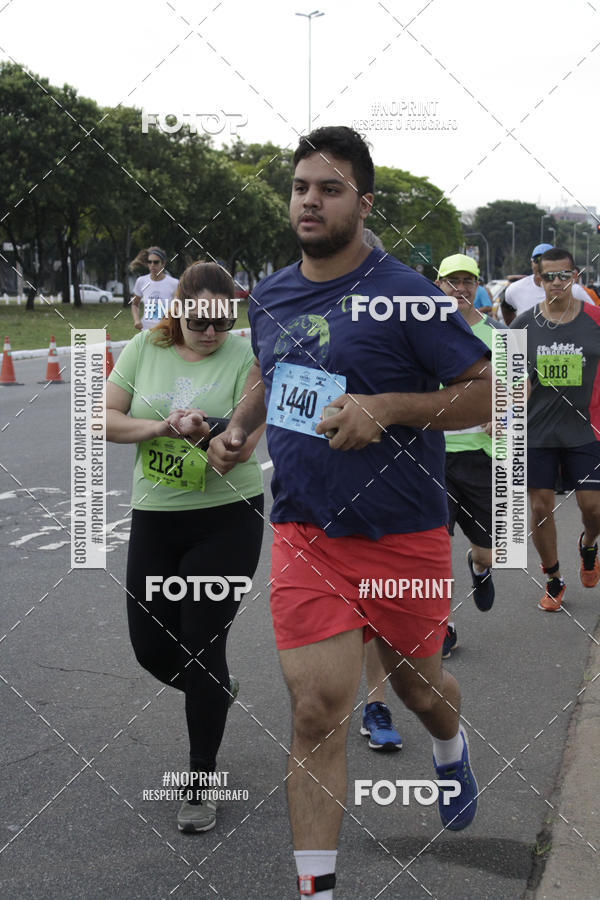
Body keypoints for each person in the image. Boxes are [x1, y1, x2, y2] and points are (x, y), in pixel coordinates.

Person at [208, 126, 492, 898]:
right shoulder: (269, 293)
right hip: (307, 532)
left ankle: (450, 749)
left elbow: (488, 391)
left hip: (403, 536)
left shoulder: (407, 294)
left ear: (362, 204)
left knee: (419, 693)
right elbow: (273, 373)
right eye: (301, 186)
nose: (310, 200)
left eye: (329, 189)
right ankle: (318, 891)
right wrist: (239, 428)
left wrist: (389, 408)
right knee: (316, 710)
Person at [106, 261, 265, 833]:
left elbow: (245, 443)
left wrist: (223, 436)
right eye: (199, 320)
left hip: (227, 518)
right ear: (177, 309)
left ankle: (201, 779)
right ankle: (215, 688)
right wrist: (162, 428)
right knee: (152, 649)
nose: (209, 333)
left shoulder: (245, 357)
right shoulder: (145, 347)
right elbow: (103, 418)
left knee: (202, 642)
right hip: (157, 516)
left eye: (221, 323)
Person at [511, 248, 600, 611]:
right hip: (538, 431)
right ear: (538, 279)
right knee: (540, 507)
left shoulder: (595, 320)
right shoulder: (522, 325)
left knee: (594, 508)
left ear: (575, 277)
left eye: (564, 275)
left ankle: (589, 544)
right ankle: (553, 578)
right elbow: (509, 380)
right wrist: (499, 415)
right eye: (549, 276)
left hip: (585, 429)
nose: (557, 283)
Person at [436, 254, 507, 636]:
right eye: (452, 280)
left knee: (488, 551)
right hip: (432, 455)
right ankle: (442, 625)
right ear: (439, 284)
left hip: (481, 456)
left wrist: (501, 416)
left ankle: (479, 567)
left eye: (467, 281)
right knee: (432, 549)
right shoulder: (424, 330)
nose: (460, 288)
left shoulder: (497, 334)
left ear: (477, 285)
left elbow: (518, 388)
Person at [503, 243, 591, 317]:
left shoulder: (574, 290)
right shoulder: (515, 289)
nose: (542, 264)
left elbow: (595, 316)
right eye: (538, 260)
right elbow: (506, 310)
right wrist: (517, 334)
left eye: (547, 260)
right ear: (531, 263)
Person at [130, 246, 179, 331]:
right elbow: (134, 304)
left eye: (156, 262)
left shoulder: (174, 283)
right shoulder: (141, 281)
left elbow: (179, 307)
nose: (152, 265)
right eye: (149, 262)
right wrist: (136, 320)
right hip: (146, 330)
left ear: (163, 264)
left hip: (166, 330)